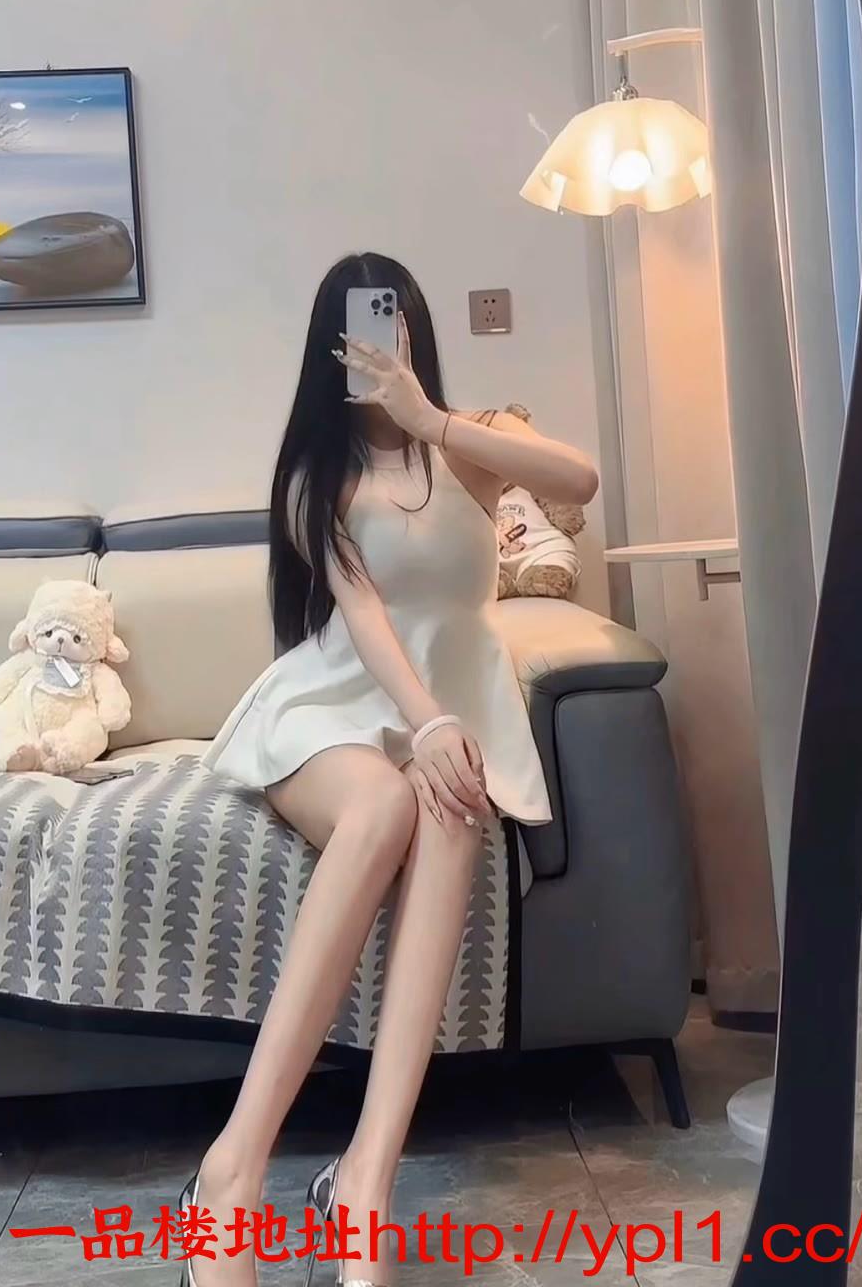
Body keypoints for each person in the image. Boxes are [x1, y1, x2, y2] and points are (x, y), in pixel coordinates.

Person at [187, 252, 599, 1287]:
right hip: (335, 707)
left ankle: (365, 1183)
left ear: (415, 332)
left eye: (394, 323)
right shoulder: (314, 475)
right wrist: (428, 724)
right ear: (330, 348)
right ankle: (229, 1175)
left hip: (451, 720)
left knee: (451, 817)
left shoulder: (474, 444)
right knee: (379, 812)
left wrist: (430, 419)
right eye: (360, 329)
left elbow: (581, 482)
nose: (378, 344)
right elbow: (365, 620)